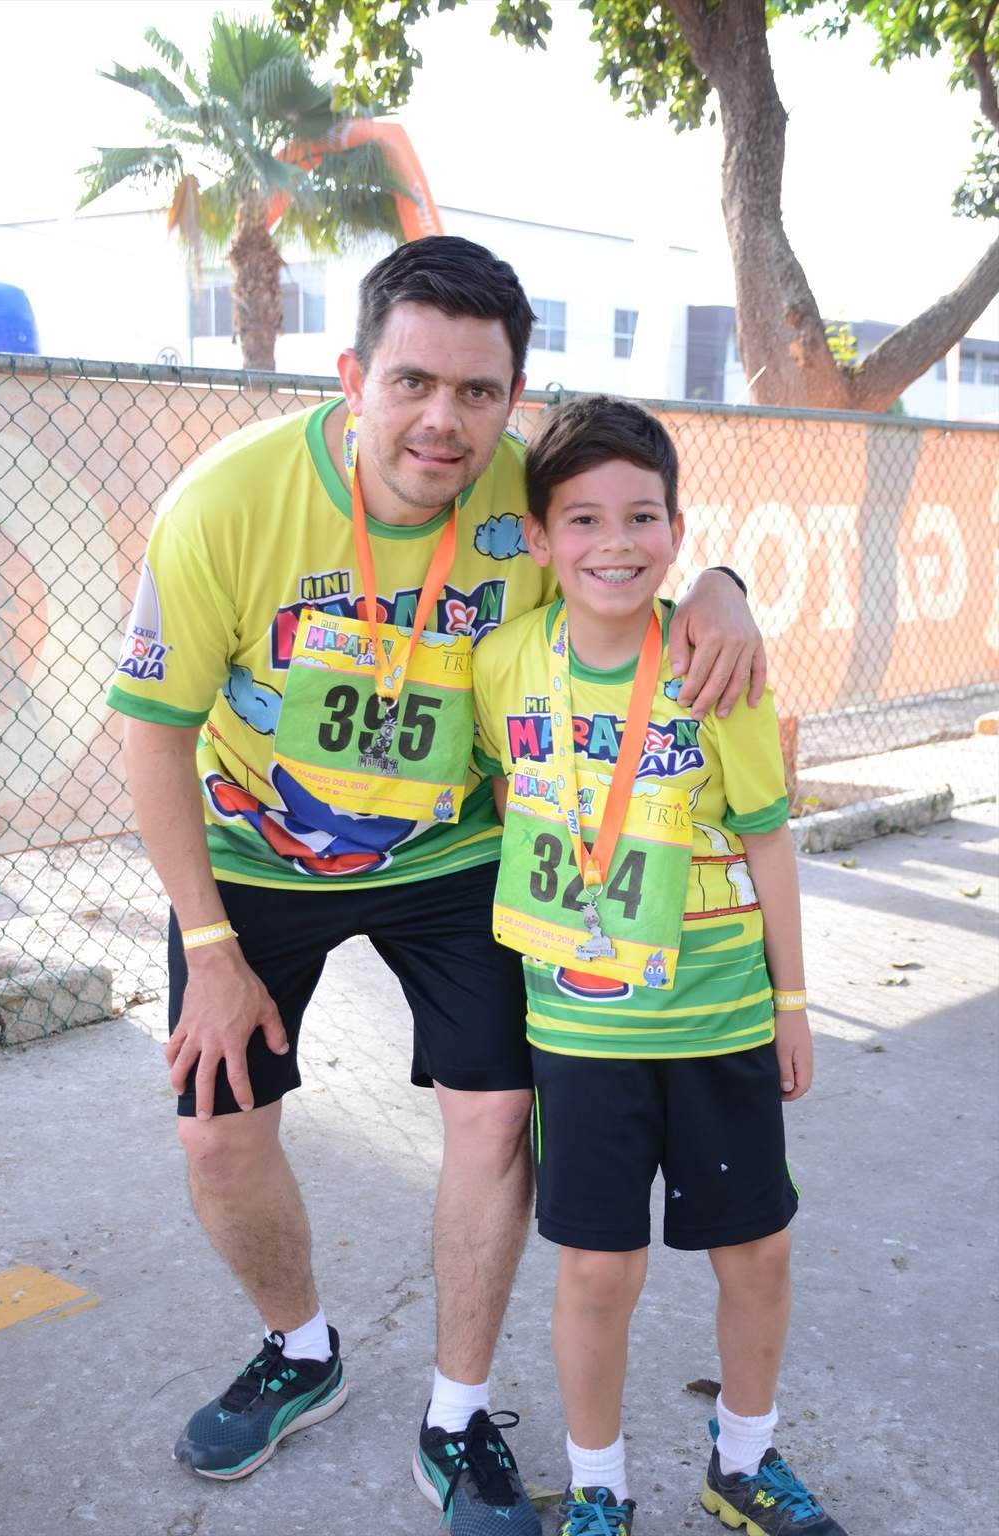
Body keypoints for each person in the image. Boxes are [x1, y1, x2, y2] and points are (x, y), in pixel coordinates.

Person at [107, 238, 766, 1534]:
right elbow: (152, 733)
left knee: (494, 1116)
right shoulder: (225, 504)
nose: (442, 421)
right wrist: (210, 945)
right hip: (254, 852)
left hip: (455, 849)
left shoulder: (525, 492)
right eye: (412, 382)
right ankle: (300, 1350)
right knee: (217, 1130)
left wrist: (721, 589)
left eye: (478, 392)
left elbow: (634, 547)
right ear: (353, 376)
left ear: (514, 398)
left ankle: (457, 1417)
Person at [472, 394, 847, 1535]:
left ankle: (744, 1461)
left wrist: (792, 1003)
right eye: (583, 519)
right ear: (540, 540)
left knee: (757, 1253)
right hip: (580, 1031)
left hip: (720, 1015)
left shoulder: (714, 662)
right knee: (596, 1273)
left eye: (642, 517)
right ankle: (599, 1485)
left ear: (678, 532)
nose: (616, 543)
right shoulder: (502, 662)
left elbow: (768, 839)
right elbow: (502, 798)